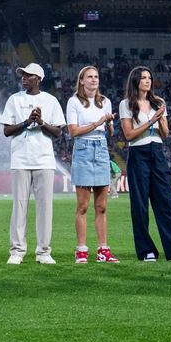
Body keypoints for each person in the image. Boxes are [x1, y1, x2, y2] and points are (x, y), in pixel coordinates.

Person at [119, 66, 171, 262]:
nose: (147, 81)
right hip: (138, 152)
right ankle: (146, 251)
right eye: (143, 78)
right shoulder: (126, 104)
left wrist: (161, 119)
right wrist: (152, 120)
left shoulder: (159, 102)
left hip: (157, 151)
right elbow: (129, 135)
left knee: (166, 202)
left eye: (149, 77)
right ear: (135, 81)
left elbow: (165, 133)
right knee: (140, 204)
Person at [0, 63, 65, 264]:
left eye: (28, 75)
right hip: (20, 159)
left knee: (45, 207)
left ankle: (43, 252)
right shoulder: (14, 99)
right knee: (19, 206)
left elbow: (58, 132)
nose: (24, 78)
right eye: (23, 75)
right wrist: (27, 122)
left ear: (39, 79)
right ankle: (17, 251)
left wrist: (42, 122)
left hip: (44, 160)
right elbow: (7, 131)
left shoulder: (51, 100)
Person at [65, 65, 118, 263]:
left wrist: (110, 124)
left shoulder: (105, 102)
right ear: (81, 80)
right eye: (89, 77)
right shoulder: (74, 102)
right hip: (83, 149)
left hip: (101, 148)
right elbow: (73, 132)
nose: (94, 80)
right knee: (83, 205)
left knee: (102, 206)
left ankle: (103, 250)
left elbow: (110, 132)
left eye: (96, 76)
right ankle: (81, 250)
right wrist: (98, 123)